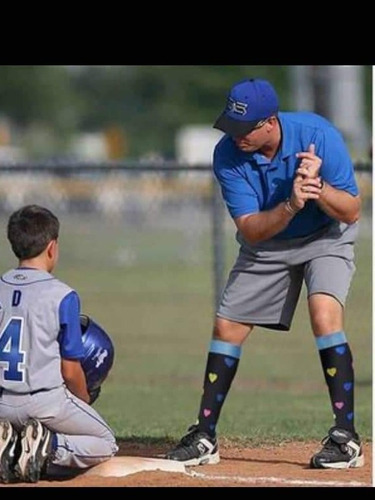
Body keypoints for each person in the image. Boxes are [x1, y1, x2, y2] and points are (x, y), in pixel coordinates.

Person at [165, 78, 363, 469]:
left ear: (269, 122)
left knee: (324, 314)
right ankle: (205, 435)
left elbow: (352, 210)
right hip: (269, 240)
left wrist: (316, 188)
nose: (235, 136)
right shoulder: (228, 155)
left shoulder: (319, 135)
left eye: (244, 129)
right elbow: (251, 229)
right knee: (227, 328)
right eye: (231, 127)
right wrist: (291, 204)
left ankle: (346, 438)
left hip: (326, 236)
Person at [0, 205, 118, 484]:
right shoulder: (62, 295)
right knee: (105, 442)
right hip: (45, 402)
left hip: (2, 401)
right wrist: (84, 402)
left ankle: (13, 443)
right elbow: (69, 370)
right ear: (52, 248)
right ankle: (47, 446)